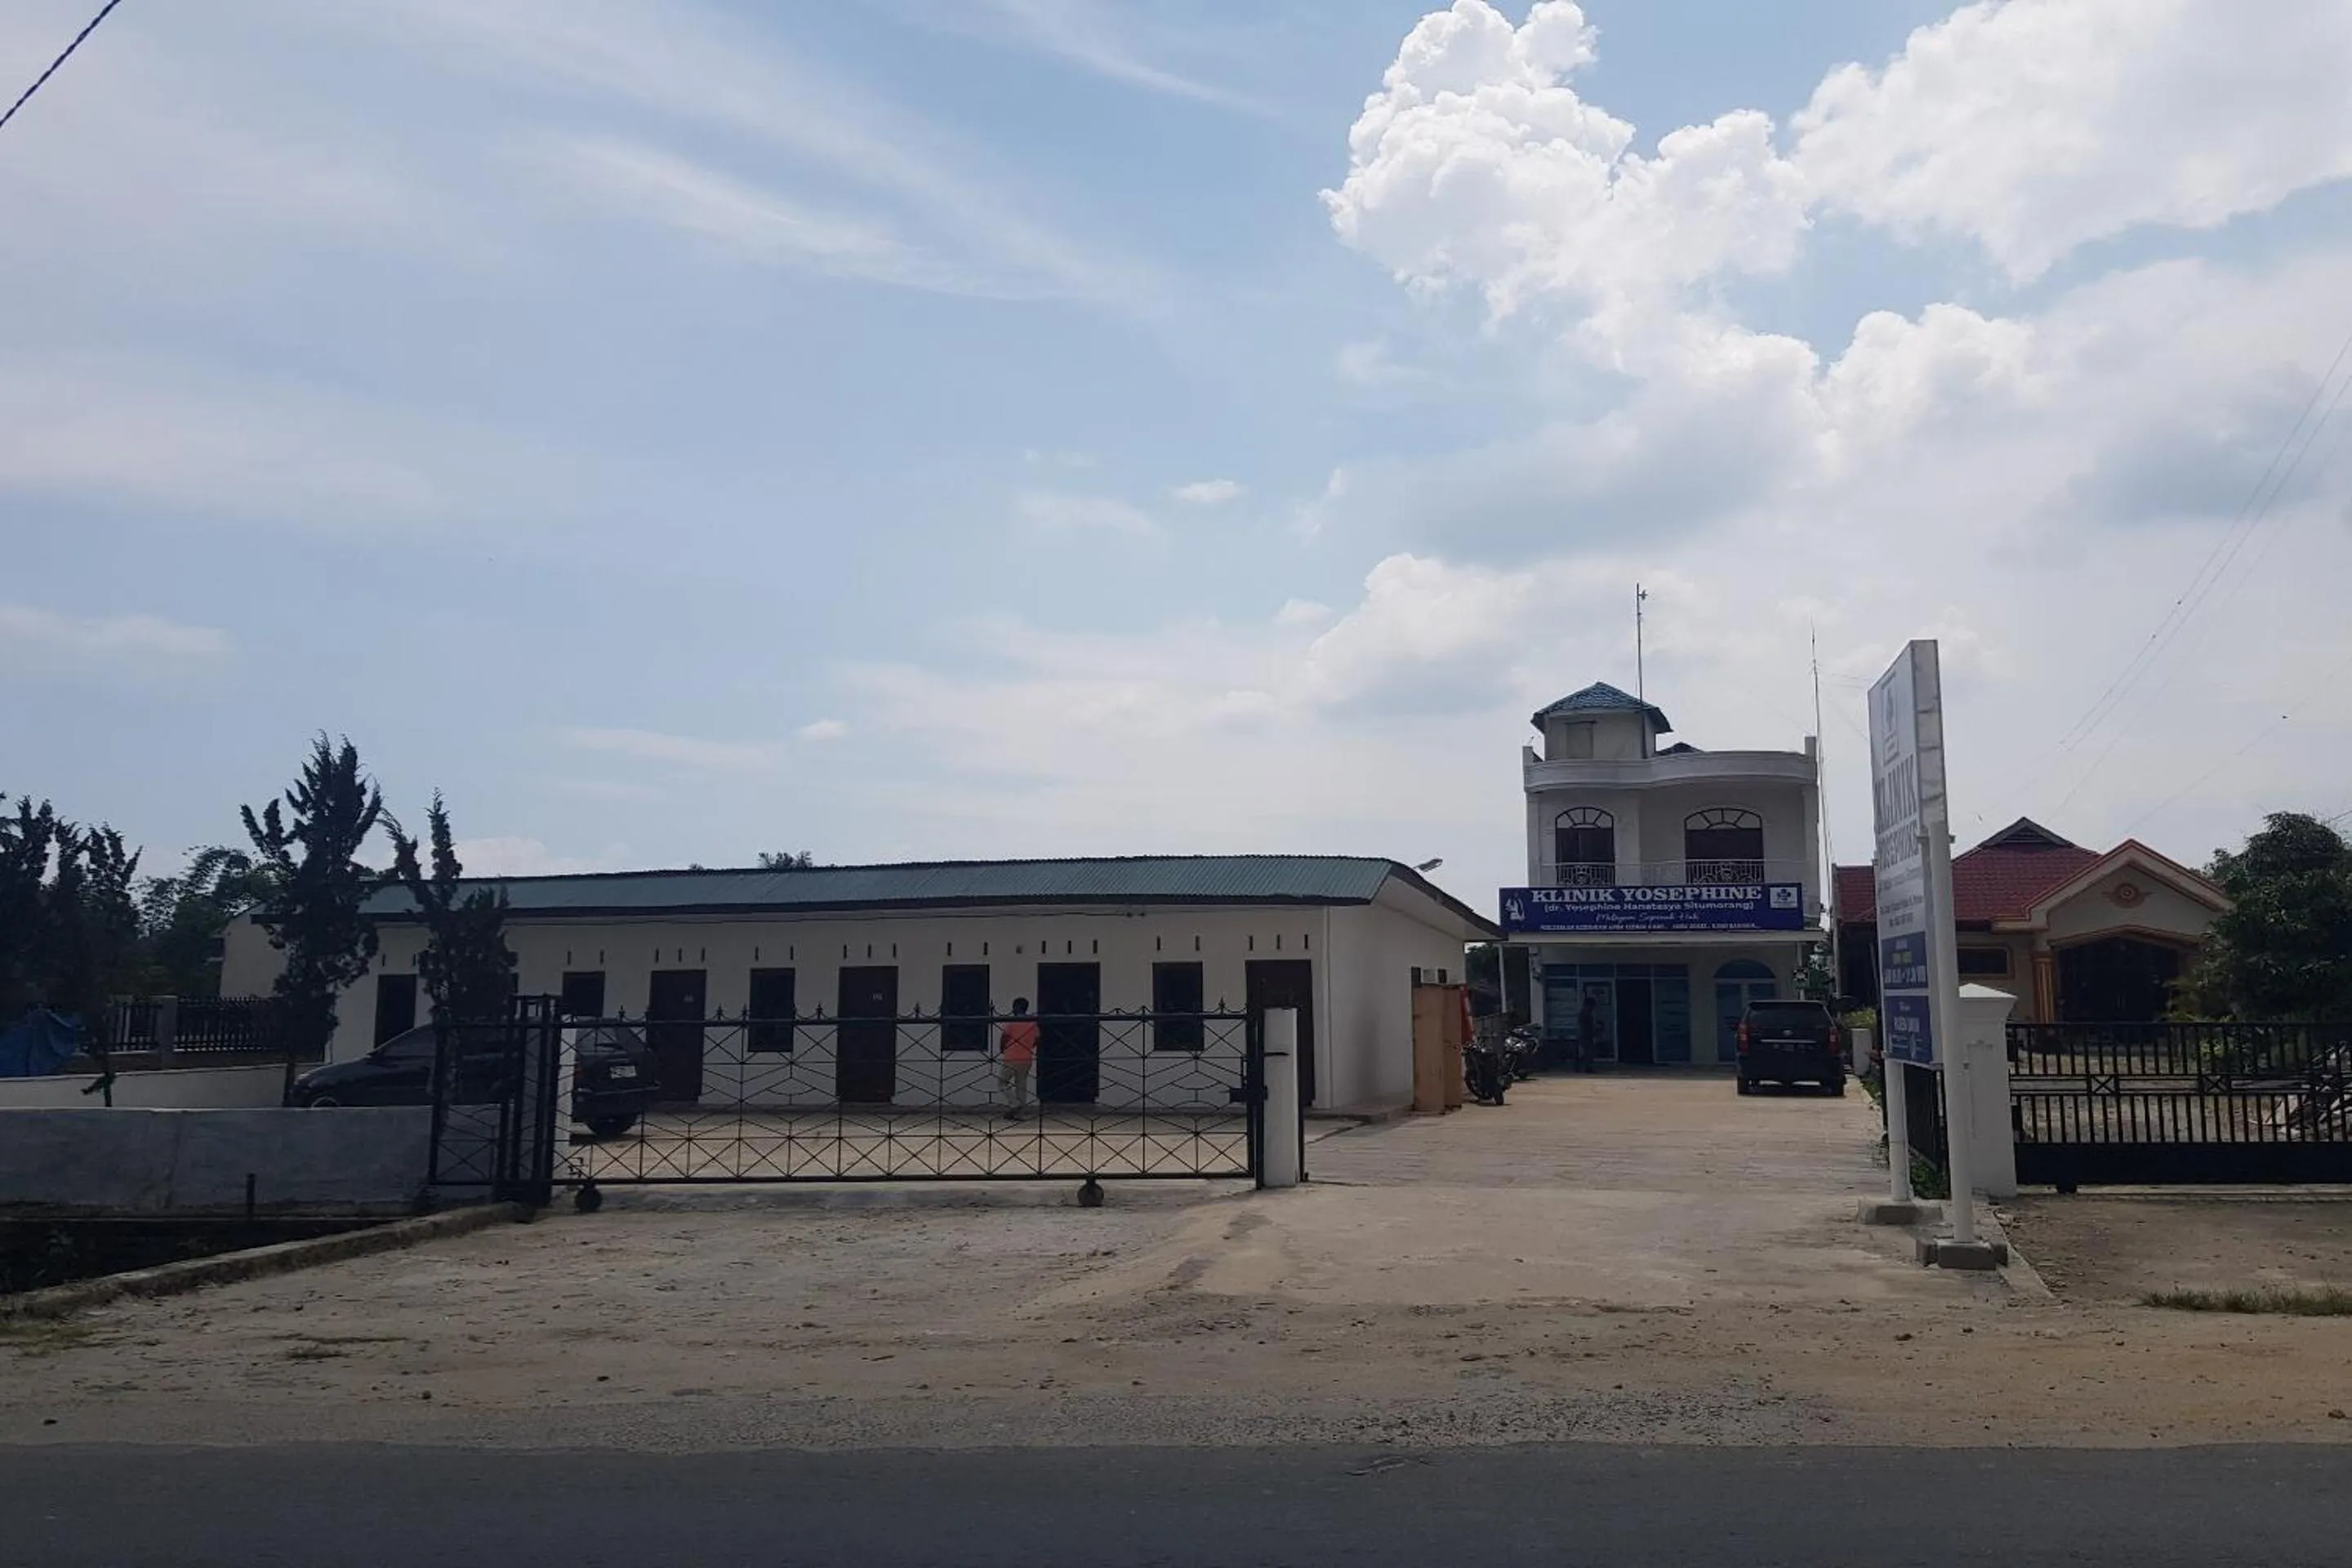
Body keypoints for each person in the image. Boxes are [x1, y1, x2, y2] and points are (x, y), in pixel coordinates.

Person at [996, 997, 1040, 1120]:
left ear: (1016, 1007)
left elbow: (1004, 1038)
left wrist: (1002, 1049)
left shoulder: (1012, 1022)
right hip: (1026, 1058)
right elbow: (1037, 1039)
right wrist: (1028, 1045)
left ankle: (1014, 1104)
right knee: (1021, 1085)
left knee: (1002, 1082)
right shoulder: (1032, 1023)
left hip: (1011, 1057)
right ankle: (1020, 1114)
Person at [1576, 991, 1601, 1073]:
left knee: (1588, 1052)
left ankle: (1582, 1066)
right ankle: (1586, 1067)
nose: (1594, 1007)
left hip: (1586, 1035)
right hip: (1586, 1035)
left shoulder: (1586, 1012)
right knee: (1589, 1052)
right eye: (1593, 1005)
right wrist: (1595, 1030)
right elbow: (1586, 1025)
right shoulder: (1585, 1013)